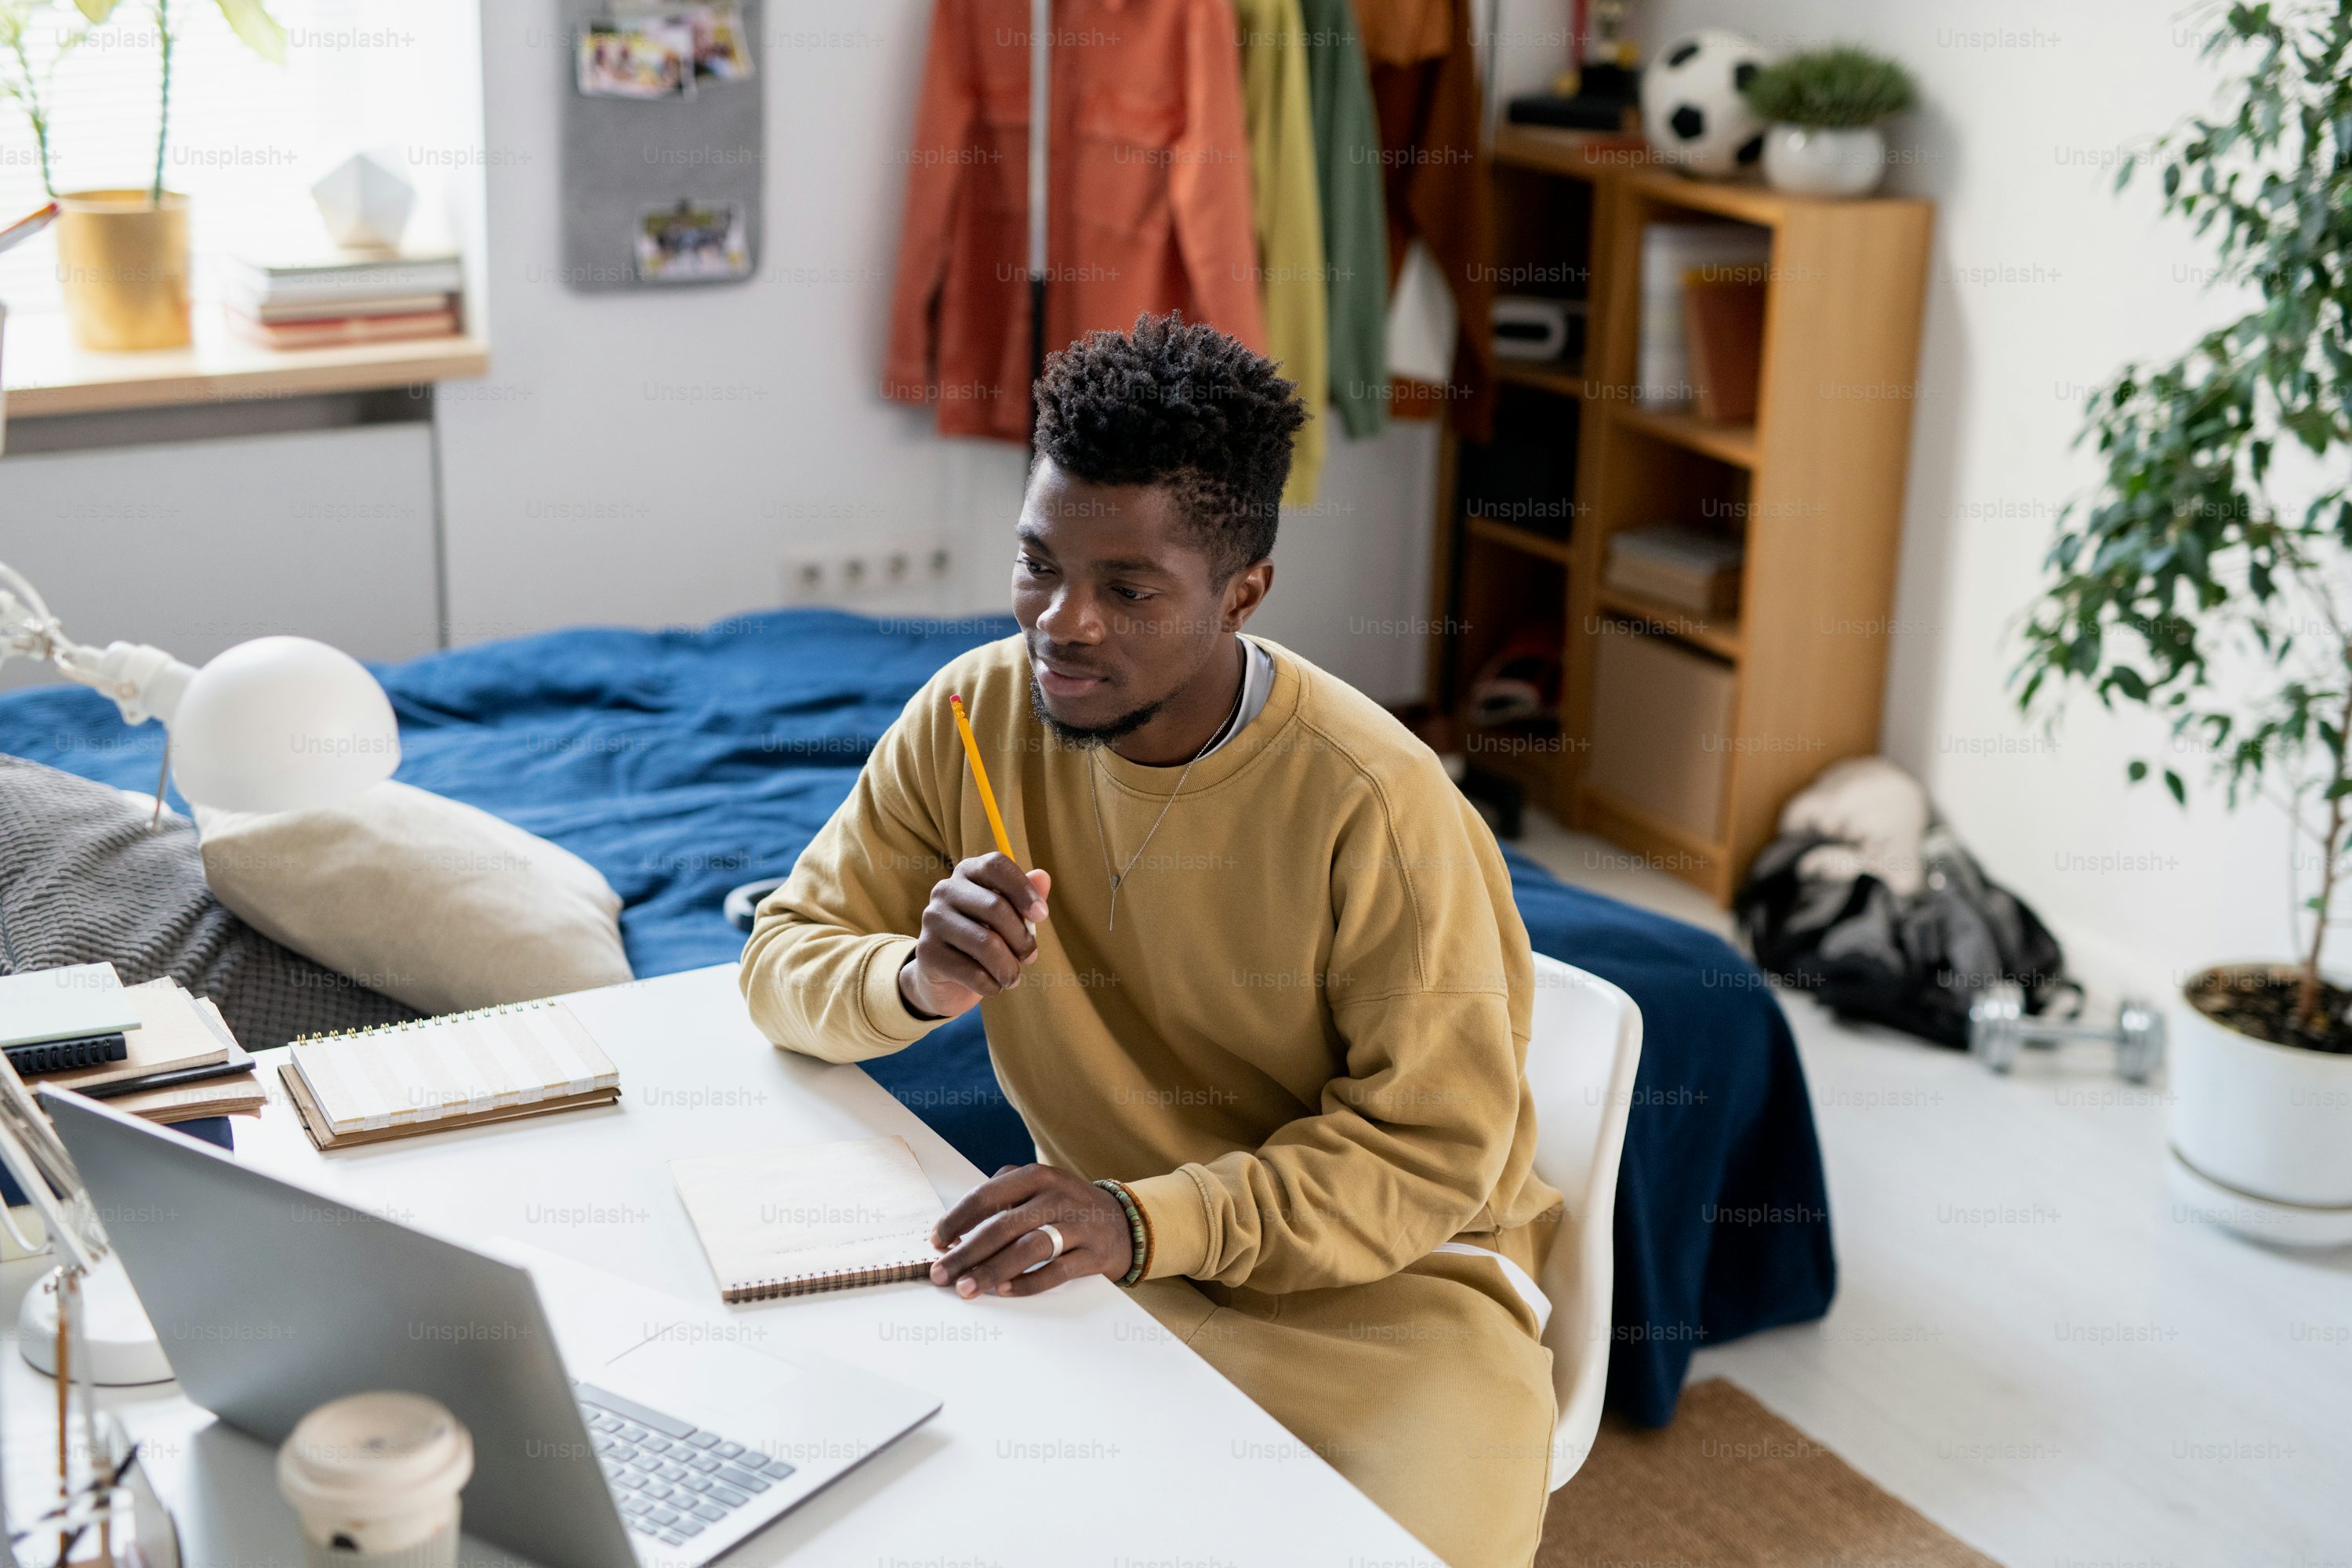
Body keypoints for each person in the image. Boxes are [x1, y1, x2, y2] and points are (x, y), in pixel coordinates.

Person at [742, 313, 1559, 1565]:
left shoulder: (1377, 804)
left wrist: (1139, 1216)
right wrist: (905, 979)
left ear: (1244, 592)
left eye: (1128, 590)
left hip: (1391, 1309)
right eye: (1037, 566)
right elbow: (780, 963)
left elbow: (1429, 1156)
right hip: (1115, 1274)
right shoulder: (968, 716)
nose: (1061, 624)